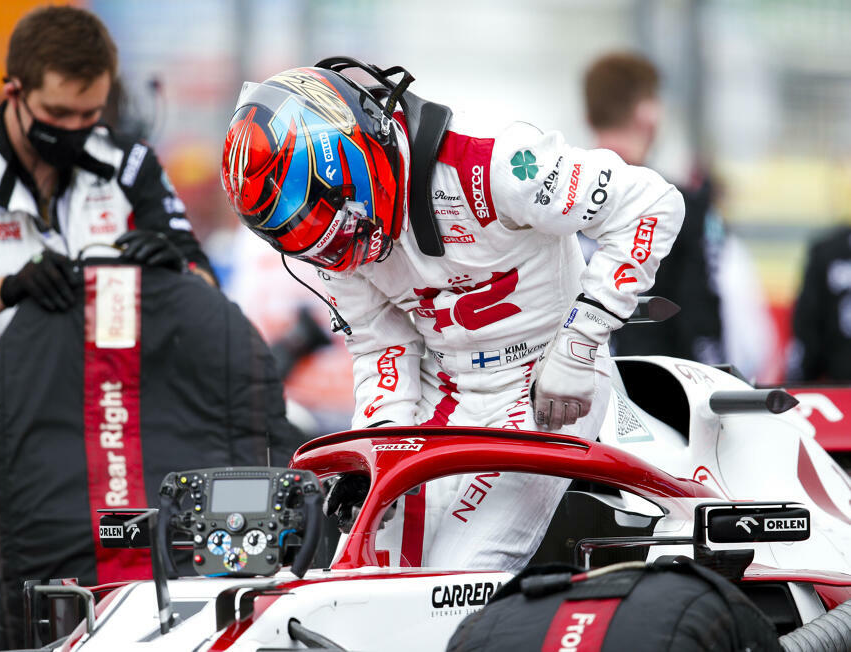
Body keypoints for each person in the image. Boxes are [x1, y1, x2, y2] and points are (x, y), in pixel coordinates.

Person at [220, 59, 684, 570]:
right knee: (368, 573)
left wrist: (582, 341)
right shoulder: (323, 242)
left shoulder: (496, 161)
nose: (331, 249)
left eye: (329, 218)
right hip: (441, 394)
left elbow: (652, 204)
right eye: (302, 234)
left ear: (360, 154)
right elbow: (380, 346)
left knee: (457, 577)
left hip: (546, 383)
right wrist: (376, 448)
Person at [0, 7, 214, 650]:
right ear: (15, 92)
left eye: (92, 115)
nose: (78, 131)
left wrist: (176, 272)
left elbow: (207, 295)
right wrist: (9, 288)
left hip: (117, 437)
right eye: (60, 116)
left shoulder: (131, 165)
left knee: (122, 615)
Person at [582, 52, 726, 365]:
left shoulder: (549, 203)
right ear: (647, 113)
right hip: (652, 393)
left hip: (560, 392)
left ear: (590, 116)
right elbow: (701, 320)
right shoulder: (681, 205)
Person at [787, 225, 851, 382]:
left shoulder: (827, 250)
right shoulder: (826, 251)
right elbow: (807, 326)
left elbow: (806, 330)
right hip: (840, 385)